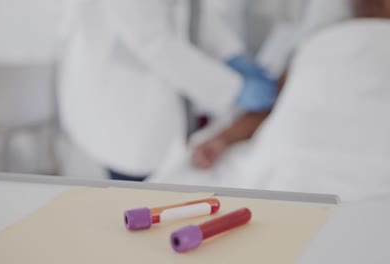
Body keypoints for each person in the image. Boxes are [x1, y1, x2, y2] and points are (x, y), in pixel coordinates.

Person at [190, 0, 390, 202]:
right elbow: (271, 103)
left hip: (383, 139)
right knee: (287, 168)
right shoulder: (318, 41)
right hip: (304, 139)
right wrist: (223, 138)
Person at [58, 0, 278, 181]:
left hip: (153, 101)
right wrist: (234, 89)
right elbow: (154, 42)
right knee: (131, 193)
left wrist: (230, 53)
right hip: (121, 104)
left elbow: (191, 9)